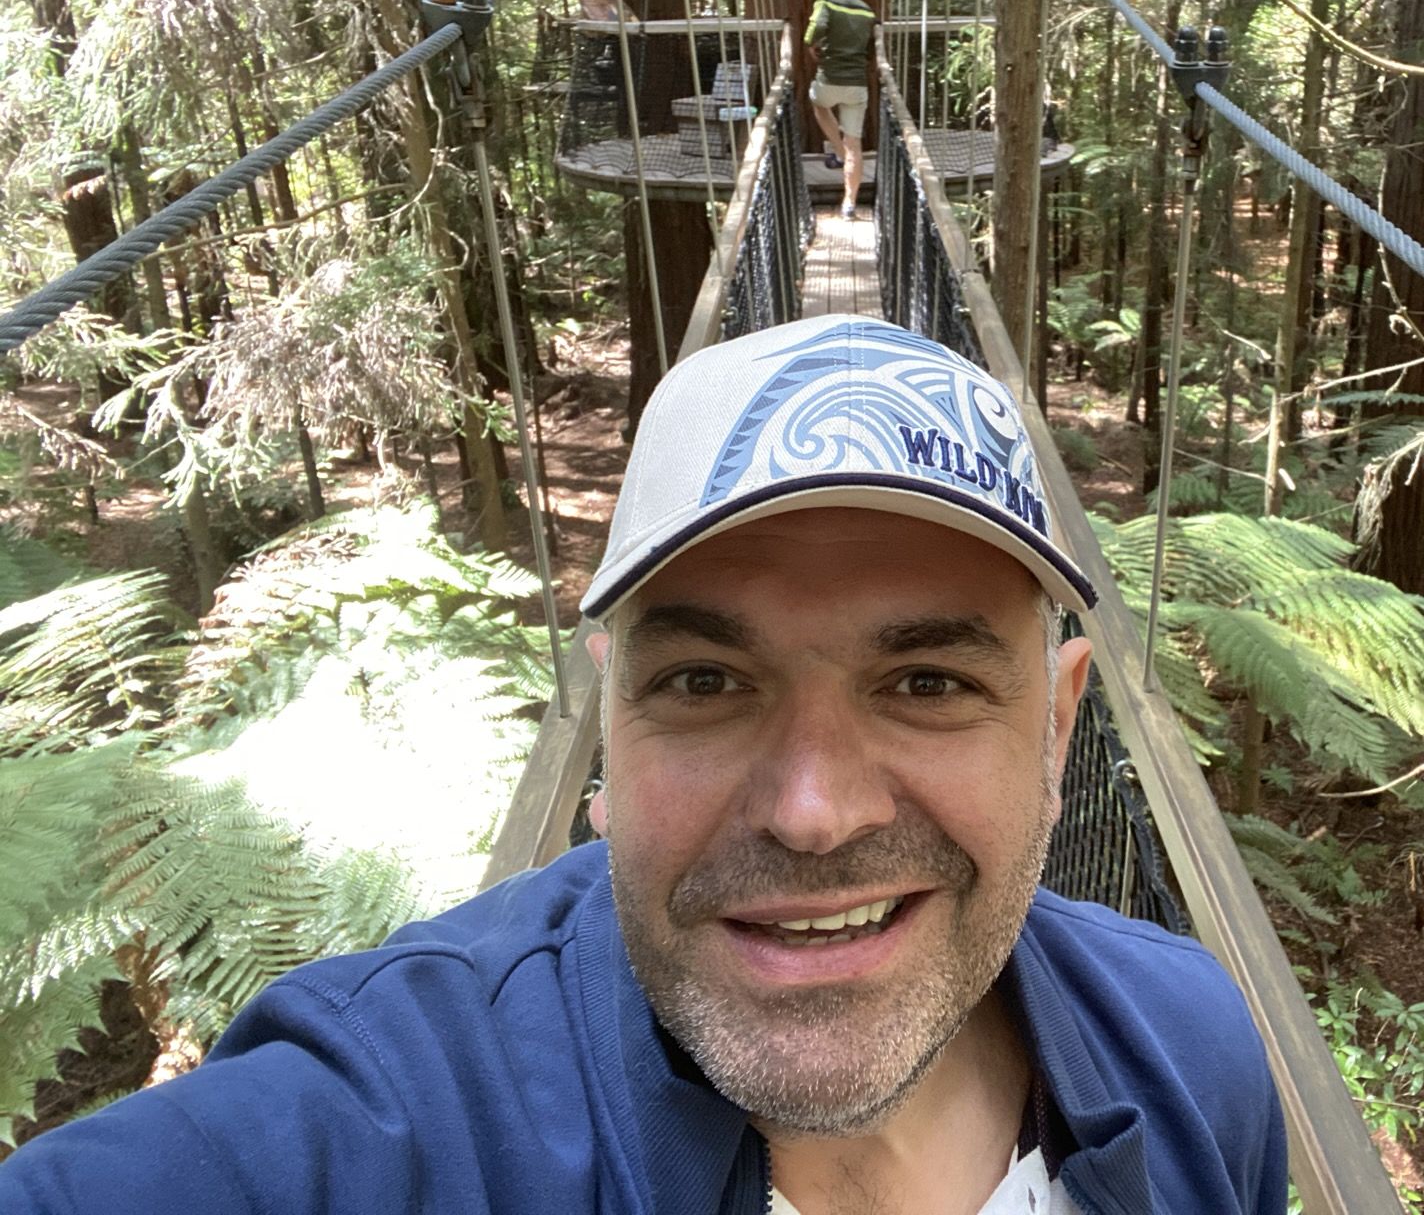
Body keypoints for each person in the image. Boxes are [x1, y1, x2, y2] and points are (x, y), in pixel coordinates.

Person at [0, 314, 1287, 1215]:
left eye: (927, 684)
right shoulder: (400, 1113)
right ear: (609, 733)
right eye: (706, 683)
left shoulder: (1191, 1056)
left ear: (1058, 732)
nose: (814, 812)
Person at [805, 0, 876, 220]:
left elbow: (816, 30)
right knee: (855, 144)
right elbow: (870, 47)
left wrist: (811, 45)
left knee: (818, 103)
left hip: (830, 80)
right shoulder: (867, 12)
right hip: (857, 85)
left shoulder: (826, 2)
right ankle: (849, 204)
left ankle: (838, 150)